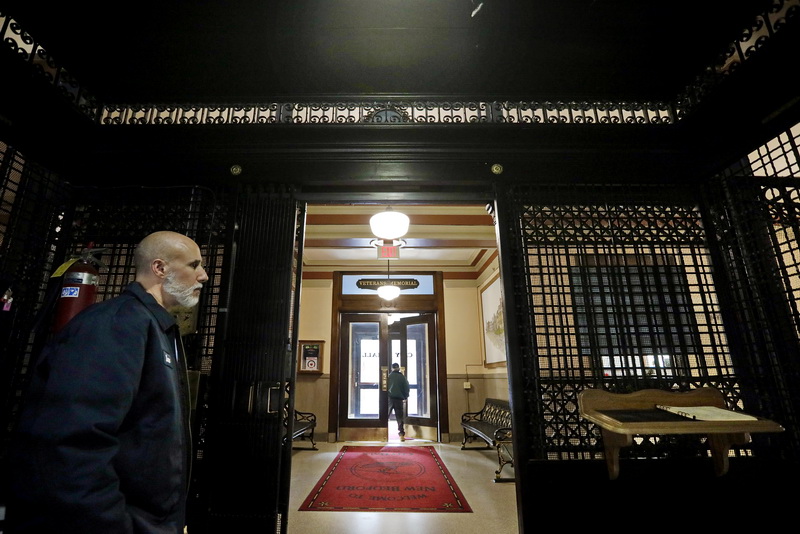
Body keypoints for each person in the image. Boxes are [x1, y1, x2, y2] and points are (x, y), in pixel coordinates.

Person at [6, 231, 208, 534]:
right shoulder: (116, 325)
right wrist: (115, 524)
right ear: (160, 268)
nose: (203, 276)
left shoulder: (156, 328)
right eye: (195, 265)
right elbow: (73, 441)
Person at [387, 362, 410, 441]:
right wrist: (405, 396)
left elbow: (385, 387)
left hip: (389, 399)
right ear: (398, 368)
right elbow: (406, 387)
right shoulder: (402, 377)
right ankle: (401, 434)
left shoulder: (389, 376)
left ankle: (380, 431)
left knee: (385, 415)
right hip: (399, 399)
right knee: (399, 417)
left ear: (391, 368)